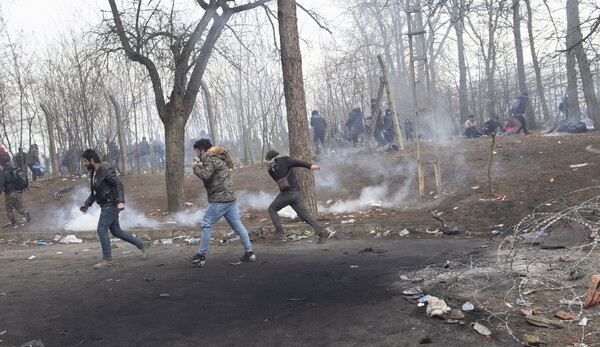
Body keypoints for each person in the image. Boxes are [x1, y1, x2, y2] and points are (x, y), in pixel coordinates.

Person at [186, 139, 255, 267]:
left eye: (198, 152)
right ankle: (249, 253)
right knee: (238, 226)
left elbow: (205, 175)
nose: (198, 154)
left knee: (206, 224)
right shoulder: (219, 158)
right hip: (230, 198)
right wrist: (201, 165)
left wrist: (195, 166)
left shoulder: (209, 158)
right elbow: (211, 173)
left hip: (220, 199)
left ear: (202, 150)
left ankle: (201, 256)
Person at [79, 149, 150, 269]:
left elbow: (118, 184)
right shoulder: (94, 172)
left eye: (86, 161)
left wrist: (120, 202)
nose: (84, 164)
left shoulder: (106, 169)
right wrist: (87, 204)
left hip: (111, 204)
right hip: (105, 204)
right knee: (116, 231)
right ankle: (142, 244)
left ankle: (107, 259)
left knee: (101, 229)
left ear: (92, 160)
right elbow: (95, 192)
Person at [265, 150, 334, 244]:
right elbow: (277, 180)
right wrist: (270, 170)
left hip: (288, 193)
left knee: (272, 209)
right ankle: (322, 232)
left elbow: (297, 162)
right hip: (296, 193)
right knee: (304, 215)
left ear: (269, 159)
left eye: (267, 161)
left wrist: (310, 166)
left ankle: (279, 232)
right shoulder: (276, 166)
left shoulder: (284, 160)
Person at [0, 155, 32, 228]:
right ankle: (25, 212)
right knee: (18, 207)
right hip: (18, 192)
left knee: (8, 209)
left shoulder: (4, 173)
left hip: (10, 193)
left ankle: (13, 223)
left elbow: (1, 184)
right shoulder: (15, 170)